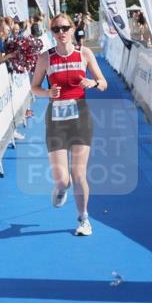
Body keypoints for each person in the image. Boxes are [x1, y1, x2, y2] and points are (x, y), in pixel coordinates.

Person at [30, 13, 108, 237]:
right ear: (51, 33)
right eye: (56, 29)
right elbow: (34, 87)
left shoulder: (84, 53)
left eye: (65, 27)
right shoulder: (45, 58)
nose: (61, 32)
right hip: (56, 118)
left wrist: (93, 83)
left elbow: (103, 83)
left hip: (80, 116)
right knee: (63, 179)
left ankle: (84, 219)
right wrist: (47, 92)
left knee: (79, 174)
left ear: (73, 29)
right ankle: (61, 189)